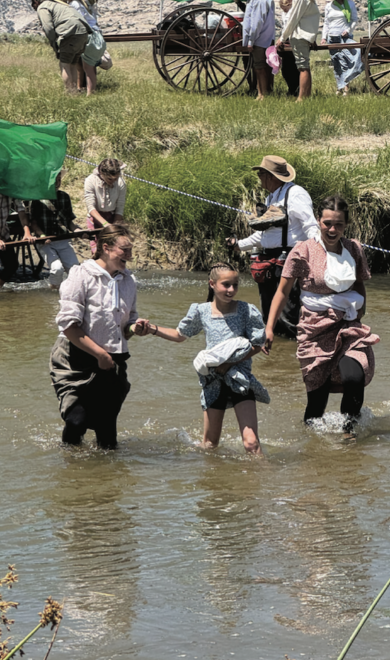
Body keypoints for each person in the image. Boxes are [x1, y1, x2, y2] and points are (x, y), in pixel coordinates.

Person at [264, 196, 379, 435]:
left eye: (339, 224)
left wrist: (360, 310)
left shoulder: (353, 249)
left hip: (348, 326)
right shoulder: (303, 250)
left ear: (346, 225)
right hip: (314, 329)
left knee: (354, 377)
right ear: (318, 221)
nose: (332, 229)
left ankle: (349, 433)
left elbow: (359, 283)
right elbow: (282, 292)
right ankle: (313, 444)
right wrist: (269, 328)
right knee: (317, 402)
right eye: (327, 223)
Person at [142, 262, 268, 454]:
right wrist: (152, 329)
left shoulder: (245, 310)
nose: (231, 290)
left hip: (240, 379)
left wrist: (230, 363)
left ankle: (262, 472)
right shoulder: (201, 311)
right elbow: (180, 335)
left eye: (235, 285)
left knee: (251, 443)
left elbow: (257, 344)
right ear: (212, 284)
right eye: (226, 285)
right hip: (213, 380)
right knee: (210, 445)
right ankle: (205, 471)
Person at [50, 224, 148, 449]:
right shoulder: (81, 275)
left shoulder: (128, 281)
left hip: (112, 359)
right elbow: (68, 325)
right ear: (106, 247)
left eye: (131, 250)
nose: (130, 255)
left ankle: (106, 471)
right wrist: (100, 354)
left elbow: (127, 325)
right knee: (76, 420)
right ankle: (70, 462)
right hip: (76, 356)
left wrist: (135, 328)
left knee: (107, 432)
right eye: (124, 250)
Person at [227, 155, 319, 339]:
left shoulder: (296, 194)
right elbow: (264, 236)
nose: (259, 178)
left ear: (272, 176)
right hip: (269, 261)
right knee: (270, 316)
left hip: (290, 258)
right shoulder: (271, 198)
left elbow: (310, 226)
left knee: (288, 316)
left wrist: (320, 252)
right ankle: (276, 352)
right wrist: (238, 245)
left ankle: (295, 350)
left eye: (261, 174)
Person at [17, 170, 81, 289]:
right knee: (57, 269)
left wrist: (77, 230)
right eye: (53, 180)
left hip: (63, 238)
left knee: (75, 270)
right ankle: (54, 291)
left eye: (59, 180)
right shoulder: (36, 199)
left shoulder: (64, 197)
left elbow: (69, 221)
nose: (57, 183)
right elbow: (33, 222)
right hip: (45, 242)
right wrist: (41, 235)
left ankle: (71, 292)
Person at [31, 0, 91, 93]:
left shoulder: (43, 7)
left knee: (65, 64)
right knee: (72, 63)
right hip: (83, 33)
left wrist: (54, 44)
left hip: (70, 33)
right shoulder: (59, 5)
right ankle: (74, 91)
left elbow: (48, 28)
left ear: (36, 2)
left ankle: (69, 92)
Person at [276, 0, 320, 102]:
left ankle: (301, 98)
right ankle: (306, 96)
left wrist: (282, 37)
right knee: (304, 66)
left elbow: (293, 18)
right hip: (305, 34)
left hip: (300, 34)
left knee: (302, 67)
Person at [321, 0, 363, 95]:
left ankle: (346, 88)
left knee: (347, 61)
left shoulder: (350, 4)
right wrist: (323, 37)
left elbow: (354, 20)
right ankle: (339, 87)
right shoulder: (329, 6)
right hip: (332, 37)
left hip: (344, 37)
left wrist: (348, 30)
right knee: (336, 63)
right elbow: (326, 23)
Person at [70, 0, 107, 96]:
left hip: (88, 33)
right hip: (96, 32)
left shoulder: (77, 2)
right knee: (89, 67)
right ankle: (90, 91)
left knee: (87, 68)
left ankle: (90, 93)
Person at [241, 0, 275, 101]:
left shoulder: (257, 0)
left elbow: (256, 23)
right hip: (261, 38)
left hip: (260, 39)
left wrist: (251, 40)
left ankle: (262, 94)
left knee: (259, 67)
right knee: (260, 67)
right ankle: (263, 92)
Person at [84, 159, 127, 253]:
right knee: (97, 251)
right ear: (102, 174)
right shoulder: (90, 181)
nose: (113, 181)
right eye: (110, 179)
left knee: (114, 250)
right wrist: (105, 224)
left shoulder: (121, 183)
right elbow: (91, 208)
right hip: (95, 218)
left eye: (116, 178)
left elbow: (120, 207)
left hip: (112, 216)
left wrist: (114, 226)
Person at [279, 0, 300, 97]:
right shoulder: (285, 12)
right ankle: (292, 89)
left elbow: (291, 26)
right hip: (286, 39)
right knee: (286, 68)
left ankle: (295, 89)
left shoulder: (295, 11)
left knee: (293, 67)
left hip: (293, 39)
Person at [0, 193, 19, 288]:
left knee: (12, 265)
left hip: (4, 233)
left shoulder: (10, 191)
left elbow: (21, 209)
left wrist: (27, 230)